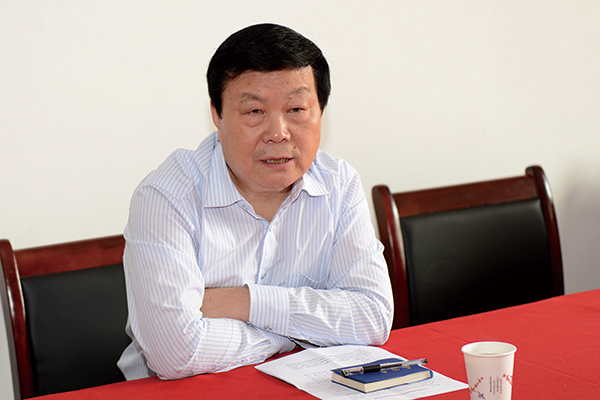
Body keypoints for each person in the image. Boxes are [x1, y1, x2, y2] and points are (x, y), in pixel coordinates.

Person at [117, 23, 394, 381]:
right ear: (217, 115)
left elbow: (372, 317)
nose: (278, 133)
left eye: (296, 109)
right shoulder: (166, 197)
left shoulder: (338, 184)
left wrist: (243, 302)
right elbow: (176, 354)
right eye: (254, 112)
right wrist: (290, 336)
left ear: (320, 113)